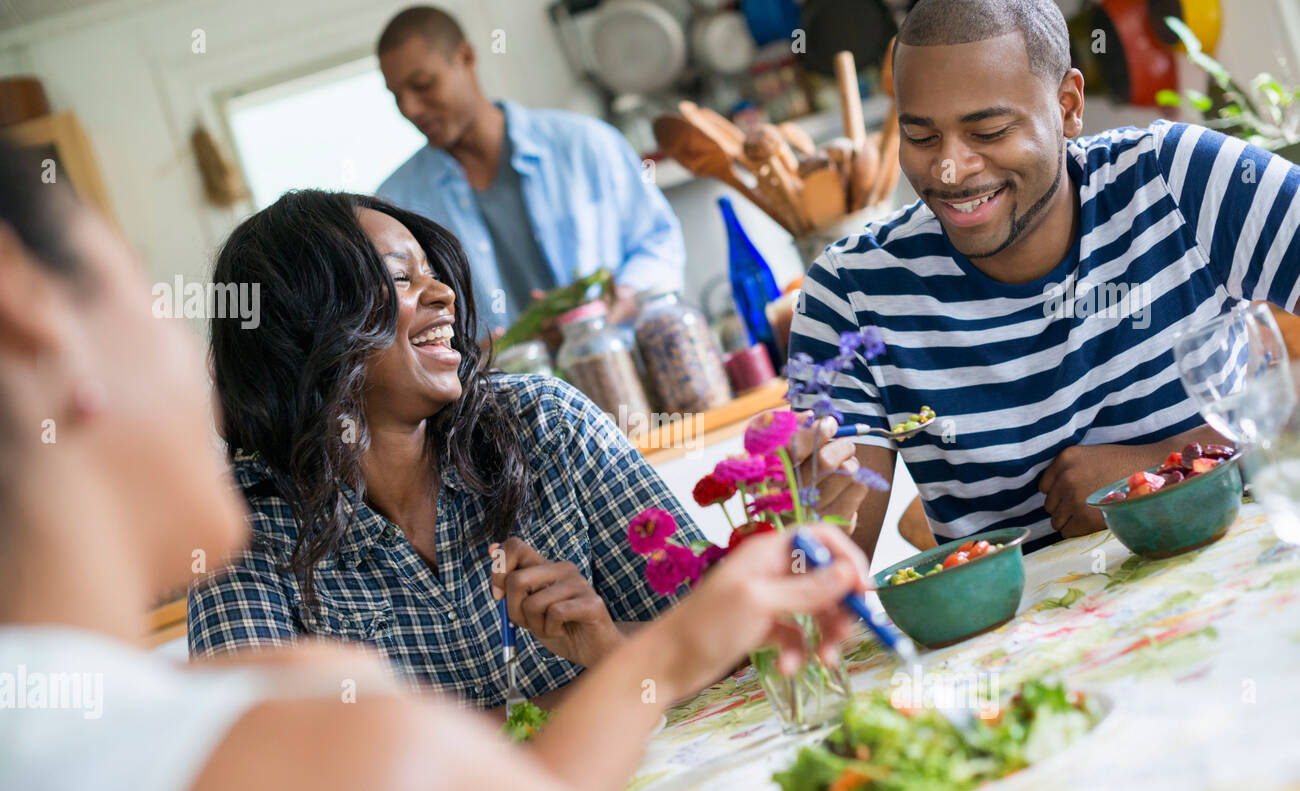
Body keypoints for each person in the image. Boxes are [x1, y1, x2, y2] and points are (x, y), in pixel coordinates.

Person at [0, 136, 871, 791]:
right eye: (149, 302)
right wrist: (654, 662)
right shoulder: (217, 724)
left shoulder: (84, 735)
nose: (189, 349)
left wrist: (637, 655)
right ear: (29, 322)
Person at [789, 0, 1300, 558]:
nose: (950, 170)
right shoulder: (849, 294)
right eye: (922, 138)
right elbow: (812, 579)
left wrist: (1168, 463)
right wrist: (805, 524)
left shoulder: (1180, 180)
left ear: (1068, 105)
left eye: (988, 130)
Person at [186, 190, 699, 707]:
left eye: (433, 272)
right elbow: (260, 771)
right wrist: (593, 697)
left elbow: (730, 632)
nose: (444, 294)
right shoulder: (237, 533)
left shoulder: (547, 424)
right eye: (402, 277)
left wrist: (609, 648)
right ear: (303, 329)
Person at [375, 5, 685, 330]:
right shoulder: (396, 204)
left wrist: (625, 295)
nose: (410, 108)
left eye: (423, 84)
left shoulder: (584, 144)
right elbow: (401, 321)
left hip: (626, 358)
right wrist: (468, 352)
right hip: (501, 380)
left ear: (466, 57)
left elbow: (658, 238)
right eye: (397, 96)